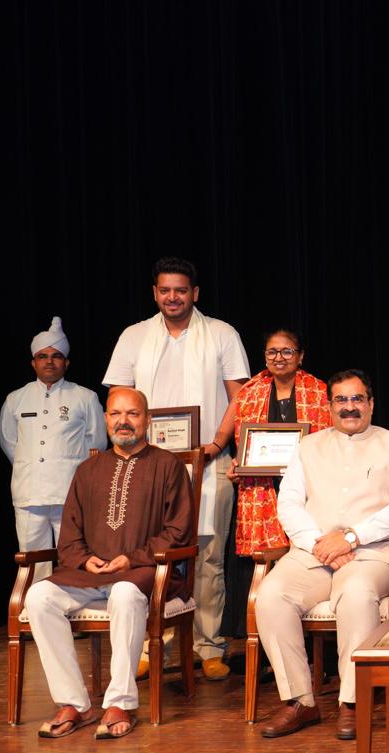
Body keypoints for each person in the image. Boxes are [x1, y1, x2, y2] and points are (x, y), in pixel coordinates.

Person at [103, 257, 250, 681]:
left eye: (181, 290)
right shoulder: (133, 336)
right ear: (155, 293)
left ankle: (209, 646)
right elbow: (119, 400)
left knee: (207, 556)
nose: (173, 297)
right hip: (146, 464)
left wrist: (217, 444)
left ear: (194, 293)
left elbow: (240, 399)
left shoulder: (221, 333)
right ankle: (151, 645)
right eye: (165, 290)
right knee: (150, 554)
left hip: (210, 460)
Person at [254, 369, 389, 740]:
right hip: (314, 551)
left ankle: (352, 702)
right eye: (341, 400)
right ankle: (300, 702)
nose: (349, 407)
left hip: (373, 553)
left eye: (357, 399)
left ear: (371, 404)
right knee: (271, 595)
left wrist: (350, 538)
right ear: (329, 407)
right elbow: (289, 504)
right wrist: (322, 543)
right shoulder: (307, 447)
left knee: (356, 594)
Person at [23, 388, 195, 739]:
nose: (123, 421)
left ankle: (121, 703)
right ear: (105, 420)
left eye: (132, 414)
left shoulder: (168, 466)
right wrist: (85, 561)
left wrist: (131, 558)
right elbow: (69, 534)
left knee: (125, 594)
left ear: (148, 420)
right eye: (115, 414)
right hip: (89, 576)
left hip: (143, 572)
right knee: (38, 597)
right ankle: (75, 703)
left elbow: (179, 530)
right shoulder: (88, 470)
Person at [220, 330, 333, 636]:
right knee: (258, 565)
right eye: (272, 352)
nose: (278, 358)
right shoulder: (250, 392)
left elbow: (332, 441)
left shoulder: (319, 391)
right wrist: (238, 464)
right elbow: (235, 441)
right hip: (261, 490)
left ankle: (307, 639)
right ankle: (256, 639)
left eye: (286, 351)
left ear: (300, 356)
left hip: (308, 492)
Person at [0, 317, 106, 581]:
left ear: (66, 363)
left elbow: (97, 443)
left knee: (75, 558)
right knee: (32, 562)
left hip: (70, 492)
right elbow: (9, 441)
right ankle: (34, 607)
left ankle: (74, 604)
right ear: (33, 362)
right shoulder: (16, 399)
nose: (49, 361)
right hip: (29, 492)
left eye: (56, 356)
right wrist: (32, 465)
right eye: (43, 356)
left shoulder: (85, 397)